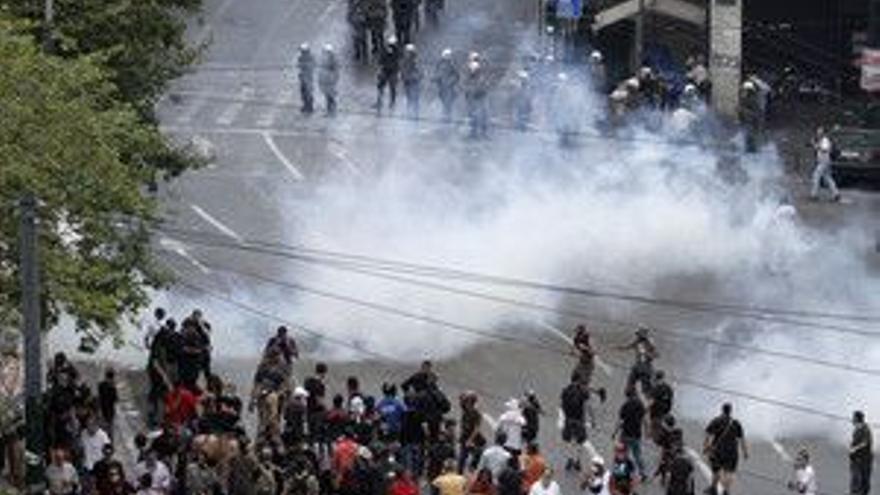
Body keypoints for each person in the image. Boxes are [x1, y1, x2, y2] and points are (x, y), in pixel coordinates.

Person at [703, 403, 747, 495]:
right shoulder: (736, 423)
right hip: (732, 452)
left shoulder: (716, 421)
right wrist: (745, 452)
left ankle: (713, 488)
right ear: (731, 411)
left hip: (718, 451)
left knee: (716, 470)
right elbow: (742, 439)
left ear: (722, 410)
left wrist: (706, 447)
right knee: (729, 472)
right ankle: (726, 491)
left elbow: (708, 434)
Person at [616, 387, 647, 482]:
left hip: (626, 433)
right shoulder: (640, 404)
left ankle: (621, 473)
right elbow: (644, 419)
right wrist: (647, 430)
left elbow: (621, 421)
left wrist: (615, 432)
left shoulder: (625, 405)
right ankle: (642, 473)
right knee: (637, 454)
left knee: (622, 453)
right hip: (636, 434)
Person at [561, 375, 591, 471]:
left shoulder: (565, 390)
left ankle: (569, 459)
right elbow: (586, 406)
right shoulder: (582, 391)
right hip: (579, 420)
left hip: (568, 419)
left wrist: (563, 417)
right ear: (578, 381)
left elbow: (561, 404)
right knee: (580, 441)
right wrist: (591, 420)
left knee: (569, 441)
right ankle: (577, 461)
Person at [617, 327, 658, 395]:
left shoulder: (649, 343)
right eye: (638, 334)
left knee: (646, 388)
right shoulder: (637, 342)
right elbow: (628, 346)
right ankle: (631, 394)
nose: (638, 336)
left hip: (646, 367)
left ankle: (648, 397)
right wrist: (620, 348)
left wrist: (648, 354)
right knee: (630, 383)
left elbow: (656, 354)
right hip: (638, 365)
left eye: (639, 334)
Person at [810, 127, 840, 202]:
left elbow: (825, 149)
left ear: (822, 133)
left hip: (824, 160)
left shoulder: (825, 140)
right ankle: (836, 194)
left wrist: (815, 145)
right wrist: (814, 144)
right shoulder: (821, 140)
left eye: (819, 132)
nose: (818, 134)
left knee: (816, 175)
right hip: (822, 161)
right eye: (818, 132)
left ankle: (814, 194)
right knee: (827, 178)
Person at [458, 391, 485, 473]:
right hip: (465, 436)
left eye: (467, 401)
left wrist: (470, 440)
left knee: (478, 452)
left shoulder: (476, 413)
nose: (465, 403)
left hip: (472, 437)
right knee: (462, 459)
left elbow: (476, 429)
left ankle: (472, 467)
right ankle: (460, 473)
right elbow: (461, 398)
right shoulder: (465, 410)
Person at [463, 59, 489, 139]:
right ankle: (473, 133)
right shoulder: (469, 78)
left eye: (474, 69)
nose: (473, 70)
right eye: (472, 69)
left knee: (482, 116)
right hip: (472, 99)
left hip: (480, 99)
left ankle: (483, 133)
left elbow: (484, 88)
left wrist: (477, 92)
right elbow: (466, 87)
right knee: (472, 116)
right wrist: (467, 94)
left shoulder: (481, 77)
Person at [849, 410, 873, 495]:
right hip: (856, 461)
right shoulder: (856, 429)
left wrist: (855, 449)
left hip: (863, 461)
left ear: (857, 419)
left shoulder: (865, 429)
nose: (852, 419)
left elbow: (865, 442)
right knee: (856, 483)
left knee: (862, 483)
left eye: (853, 417)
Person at [376, 36, 401, 113]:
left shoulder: (396, 51)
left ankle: (389, 102)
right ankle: (382, 102)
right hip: (387, 70)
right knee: (384, 87)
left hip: (391, 71)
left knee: (390, 87)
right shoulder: (389, 51)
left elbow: (380, 60)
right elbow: (380, 60)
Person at [434, 49, 459, 122]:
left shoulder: (452, 64)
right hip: (441, 87)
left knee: (448, 102)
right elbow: (437, 74)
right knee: (444, 101)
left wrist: (450, 82)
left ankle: (447, 116)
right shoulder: (439, 64)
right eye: (447, 55)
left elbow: (456, 76)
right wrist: (436, 79)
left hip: (449, 88)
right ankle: (445, 115)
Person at [648, 370, 673, 442]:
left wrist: (646, 409)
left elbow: (651, 401)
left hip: (655, 412)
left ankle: (655, 440)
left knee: (655, 427)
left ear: (657, 378)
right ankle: (660, 438)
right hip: (665, 412)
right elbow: (670, 400)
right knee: (662, 427)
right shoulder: (668, 388)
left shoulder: (655, 388)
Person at [401, 44, 423, 118]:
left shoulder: (416, 61)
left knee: (415, 98)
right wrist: (404, 77)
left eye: (409, 52)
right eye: (407, 52)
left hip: (414, 83)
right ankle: (409, 112)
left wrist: (414, 77)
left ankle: (415, 113)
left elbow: (420, 72)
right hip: (407, 82)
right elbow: (403, 70)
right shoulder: (405, 61)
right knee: (409, 98)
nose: (407, 53)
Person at [318, 44, 340, 116]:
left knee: (330, 96)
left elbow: (335, 71)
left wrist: (334, 79)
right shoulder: (328, 59)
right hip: (327, 80)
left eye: (325, 52)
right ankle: (330, 111)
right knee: (328, 96)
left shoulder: (333, 59)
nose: (324, 53)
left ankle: (332, 111)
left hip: (330, 81)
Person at [98, 368, 119, 439]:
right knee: (108, 429)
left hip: (106, 411)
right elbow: (116, 399)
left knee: (106, 429)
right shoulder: (112, 387)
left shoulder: (101, 385)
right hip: (108, 411)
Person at [297, 43, 316, 115]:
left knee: (308, 92)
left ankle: (310, 107)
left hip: (308, 77)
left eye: (302, 50)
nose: (301, 51)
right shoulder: (301, 57)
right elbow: (299, 66)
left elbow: (311, 66)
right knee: (303, 92)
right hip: (303, 77)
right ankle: (305, 106)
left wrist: (304, 66)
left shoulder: (310, 57)